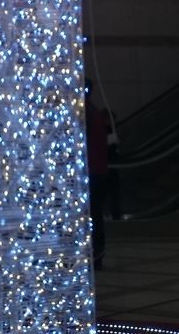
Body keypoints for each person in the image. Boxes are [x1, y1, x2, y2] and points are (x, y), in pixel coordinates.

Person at [84, 80, 108, 269]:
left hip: (91, 172)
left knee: (93, 214)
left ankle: (96, 252)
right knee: (95, 213)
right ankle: (97, 253)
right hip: (97, 171)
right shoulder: (94, 113)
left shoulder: (88, 115)